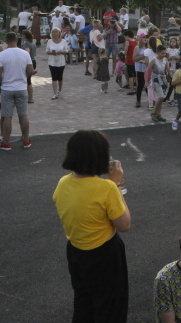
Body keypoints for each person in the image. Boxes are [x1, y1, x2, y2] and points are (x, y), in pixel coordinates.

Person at [53, 130, 131, 323]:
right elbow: (124, 224)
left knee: (83, 303)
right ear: (100, 157)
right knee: (110, 308)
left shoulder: (63, 183)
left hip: (76, 252)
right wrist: (117, 185)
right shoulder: (107, 188)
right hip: (104, 255)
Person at [0, 31, 34, 150]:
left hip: (7, 87)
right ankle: (26, 140)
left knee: (7, 115)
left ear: (6, 41)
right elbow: (30, 70)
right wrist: (24, 78)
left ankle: (6, 142)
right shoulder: (25, 54)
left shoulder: (1, 55)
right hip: (21, 87)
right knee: (23, 114)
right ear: (17, 40)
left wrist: (0, 83)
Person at [148, 44, 169, 123]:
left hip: (162, 80)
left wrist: (172, 72)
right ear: (157, 53)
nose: (164, 55)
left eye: (165, 53)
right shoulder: (154, 60)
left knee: (162, 98)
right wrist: (147, 81)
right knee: (160, 98)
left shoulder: (165, 60)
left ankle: (158, 114)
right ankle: (154, 113)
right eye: (162, 53)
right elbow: (148, 70)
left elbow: (167, 69)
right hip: (156, 80)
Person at [46, 27, 67, 100]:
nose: (54, 33)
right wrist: (52, 53)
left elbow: (66, 51)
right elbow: (47, 51)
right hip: (52, 61)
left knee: (60, 77)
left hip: (61, 61)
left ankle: (59, 90)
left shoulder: (63, 41)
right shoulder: (49, 41)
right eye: (53, 32)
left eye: (56, 32)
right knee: (54, 77)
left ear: (59, 33)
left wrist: (61, 52)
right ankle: (54, 93)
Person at [134, 34, 150, 109]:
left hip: (147, 68)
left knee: (148, 84)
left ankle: (150, 100)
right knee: (140, 84)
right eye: (143, 37)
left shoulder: (149, 48)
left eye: (146, 37)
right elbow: (134, 58)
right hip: (140, 68)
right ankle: (138, 100)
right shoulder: (137, 48)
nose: (145, 39)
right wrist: (142, 56)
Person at [21, 30, 37, 104]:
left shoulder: (26, 44)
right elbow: (35, 54)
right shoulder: (33, 43)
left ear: (24, 36)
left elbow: (27, 53)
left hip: (28, 62)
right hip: (33, 61)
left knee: (27, 81)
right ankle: (30, 98)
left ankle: (29, 98)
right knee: (29, 81)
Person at [124, 31, 139, 96]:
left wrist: (122, 52)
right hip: (135, 60)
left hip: (129, 60)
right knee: (135, 75)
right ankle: (138, 89)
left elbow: (126, 52)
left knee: (130, 76)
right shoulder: (136, 41)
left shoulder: (128, 42)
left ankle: (132, 89)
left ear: (127, 36)